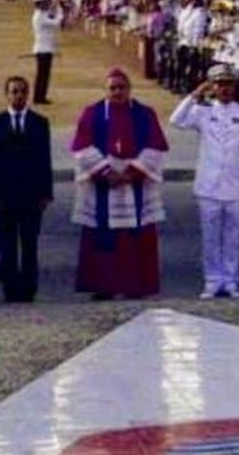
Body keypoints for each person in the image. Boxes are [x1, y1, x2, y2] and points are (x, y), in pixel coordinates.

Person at [70, 68, 168, 300]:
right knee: (102, 236)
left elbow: (156, 146)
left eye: (121, 87)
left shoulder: (145, 114)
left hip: (135, 184)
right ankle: (103, 286)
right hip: (103, 185)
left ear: (129, 89)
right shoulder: (92, 113)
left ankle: (135, 285)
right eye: (112, 88)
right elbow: (81, 147)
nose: (117, 92)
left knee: (134, 237)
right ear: (105, 90)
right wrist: (105, 172)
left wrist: (131, 172)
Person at [170, 65, 239, 300]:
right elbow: (176, 120)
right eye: (220, 84)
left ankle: (231, 281)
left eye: (229, 84)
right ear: (212, 87)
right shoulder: (202, 112)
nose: (225, 89)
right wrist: (194, 95)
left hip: (236, 183)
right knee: (210, 237)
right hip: (208, 184)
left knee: (233, 237)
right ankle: (212, 281)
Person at [0, 76, 53, 303]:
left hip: (31, 195)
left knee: (30, 244)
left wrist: (46, 193)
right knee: (8, 245)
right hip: (4, 196)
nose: (19, 96)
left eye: (23, 91)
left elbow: (45, 160)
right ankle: (11, 289)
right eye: (14, 91)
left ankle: (29, 289)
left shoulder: (39, 122)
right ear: (7, 94)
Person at [30, 0, 62, 105]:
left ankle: (40, 96)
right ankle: (39, 98)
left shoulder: (41, 14)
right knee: (42, 75)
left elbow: (50, 14)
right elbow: (57, 22)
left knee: (43, 75)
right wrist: (60, 11)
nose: (47, 4)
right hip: (43, 49)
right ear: (40, 5)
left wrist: (55, 8)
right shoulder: (40, 16)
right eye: (45, 3)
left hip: (45, 48)